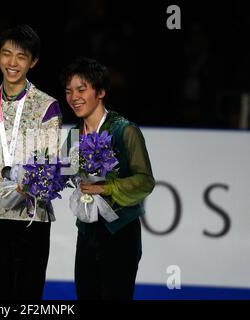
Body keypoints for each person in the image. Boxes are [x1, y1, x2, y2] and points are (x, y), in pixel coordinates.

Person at [0, 24, 62, 300]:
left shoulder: (46, 105)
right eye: (6, 54)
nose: (12, 63)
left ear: (33, 61)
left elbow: (49, 161)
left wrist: (27, 181)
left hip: (31, 217)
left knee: (28, 298)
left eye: (21, 56)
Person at [61, 57, 155, 300]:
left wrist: (105, 187)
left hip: (120, 232)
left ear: (100, 92)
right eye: (69, 91)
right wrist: (33, 176)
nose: (74, 97)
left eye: (82, 90)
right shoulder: (74, 135)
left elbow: (145, 181)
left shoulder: (125, 130)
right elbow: (61, 173)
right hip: (87, 233)